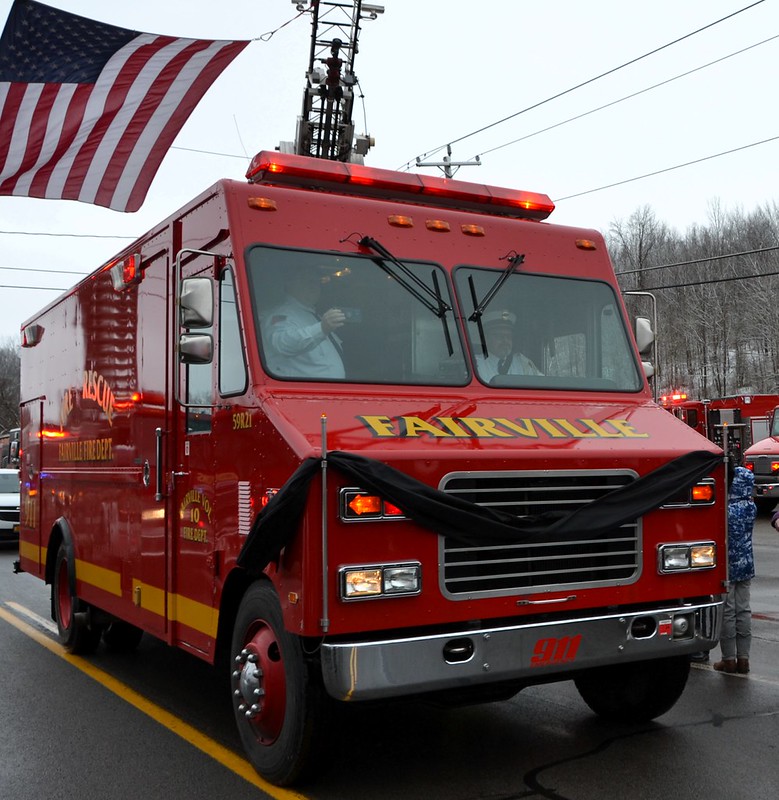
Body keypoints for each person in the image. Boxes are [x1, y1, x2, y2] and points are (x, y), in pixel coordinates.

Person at [262, 266, 346, 379]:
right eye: (306, 280)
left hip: (330, 393)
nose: (313, 286)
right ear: (289, 284)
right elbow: (283, 344)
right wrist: (322, 328)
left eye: (316, 281)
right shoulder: (281, 315)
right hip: (304, 394)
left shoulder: (315, 316)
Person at [713, 465, 757, 674]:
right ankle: (744, 658)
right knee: (744, 610)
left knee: (728, 612)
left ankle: (728, 659)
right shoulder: (750, 506)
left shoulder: (725, 510)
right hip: (746, 564)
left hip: (727, 567)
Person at [474, 309, 541, 382]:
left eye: (508, 336)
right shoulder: (476, 364)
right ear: (486, 339)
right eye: (499, 336)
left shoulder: (523, 364)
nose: (505, 341)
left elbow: (541, 384)